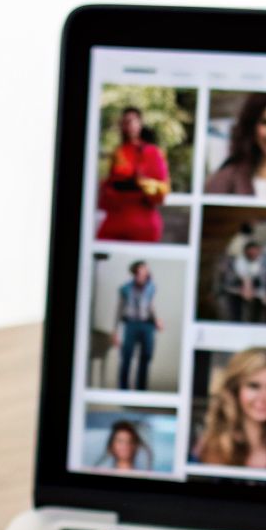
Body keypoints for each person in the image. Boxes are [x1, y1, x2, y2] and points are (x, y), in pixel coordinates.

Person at [95, 107, 170, 242]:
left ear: (140, 123)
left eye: (132, 121)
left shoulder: (152, 152)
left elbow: (161, 189)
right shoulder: (119, 151)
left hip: (143, 218)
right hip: (117, 216)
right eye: (124, 122)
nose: (128, 126)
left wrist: (141, 183)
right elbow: (110, 184)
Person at [113, 260, 161, 389]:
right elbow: (119, 310)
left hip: (146, 325)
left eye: (146, 269)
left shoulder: (151, 287)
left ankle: (141, 390)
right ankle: (123, 389)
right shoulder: (125, 289)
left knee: (146, 356)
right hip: (131, 324)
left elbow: (150, 306)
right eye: (142, 269)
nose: (145, 272)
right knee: (127, 355)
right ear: (136, 272)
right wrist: (115, 332)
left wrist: (156, 320)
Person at [214, 240, 262, 322]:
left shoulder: (260, 263)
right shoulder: (238, 262)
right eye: (252, 252)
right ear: (246, 251)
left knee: (253, 317)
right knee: (235, 316)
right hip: (235, 293)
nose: (254, 254)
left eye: (256, 252)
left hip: (255, 296)